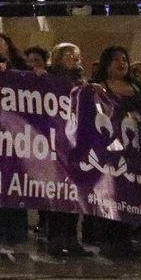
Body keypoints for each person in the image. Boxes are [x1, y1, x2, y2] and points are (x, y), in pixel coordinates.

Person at [88, 46, 141, 259]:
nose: (122, 64)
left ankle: (125, 239)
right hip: (108, 151)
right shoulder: (98, 88)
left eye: (125, 59)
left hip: (132, 151)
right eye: (116, 60)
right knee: (109, 194)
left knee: (129, 195)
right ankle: (107, 239)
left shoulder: (136, 87)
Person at [42, 42, 92, 257]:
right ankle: (54, 237)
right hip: (54, 142)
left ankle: (71, 237)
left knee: (74, 193)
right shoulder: (47, 79)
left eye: (75, 54)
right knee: (57, 193)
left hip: (75, 144)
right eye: (67, 54)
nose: (72, 58)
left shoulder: (82, 83)